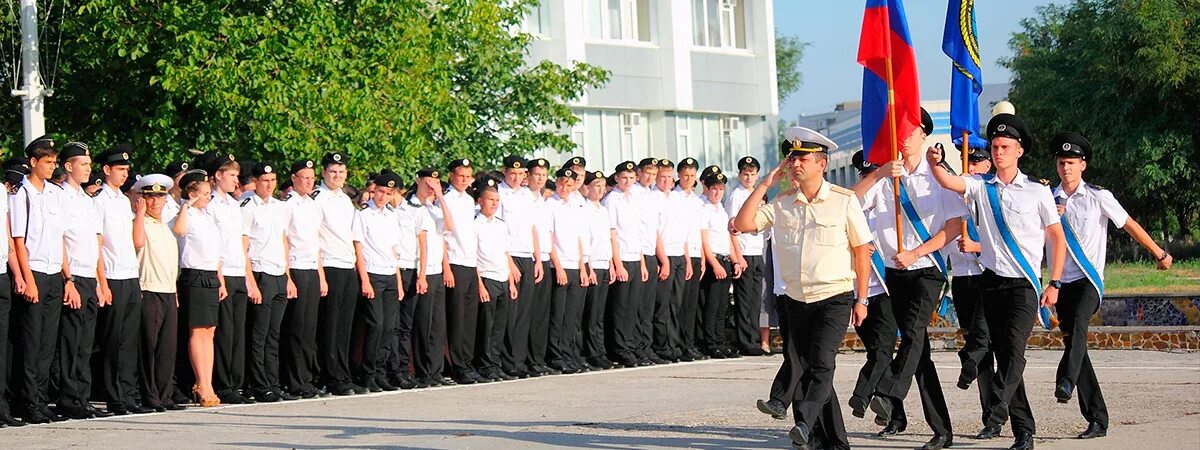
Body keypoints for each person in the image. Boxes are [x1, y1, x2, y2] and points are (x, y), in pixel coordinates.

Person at [925, 113, 1068, 450]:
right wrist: (935, 163)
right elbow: (949, 182)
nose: (998, 151)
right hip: (990, 283)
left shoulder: (1037, 191)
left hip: (1023, 284)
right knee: (1004, 356)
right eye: (995, 146)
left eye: (1005, 146)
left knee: (1015, 350)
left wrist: (1055, 282)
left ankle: (999, 406)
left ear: (1019, 151)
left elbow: (1057, 239)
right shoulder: (981, 187)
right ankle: (1024, 431)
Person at [733, 127, 871, 450]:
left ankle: (805, 422)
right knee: (808, 369)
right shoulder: (782, 204)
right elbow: (742, 224)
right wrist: (765, 184)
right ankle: (833, 441)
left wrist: (862, 298)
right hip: (796, 300)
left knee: (822, 363)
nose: (795, 163)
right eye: (792, 157)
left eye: (802, 158)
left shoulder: (843, 201)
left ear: (821, 163)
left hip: (834, 297)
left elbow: (862, 250)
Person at [1047, 131, 1172, 440]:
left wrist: (1159, 252)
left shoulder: (1098, 196)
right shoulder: (1047, 199)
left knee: (1078, 328)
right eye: (1062, 163)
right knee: (1077, 349)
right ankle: (1097, 418)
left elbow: (1128, 224)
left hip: (1089, 281)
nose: (1066, 168)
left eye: (1072, 163)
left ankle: (1064, 381)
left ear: (1083, 165)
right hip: (1061, 281)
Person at [852, 108, 961, 449]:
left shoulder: (937, 176)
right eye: (898, 130)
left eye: (909, 130)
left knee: (913, 332)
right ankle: (941, 430)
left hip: (927, 269)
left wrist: (916, 252)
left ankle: (887, 392)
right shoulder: (887, 177)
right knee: (921, 354)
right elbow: (851, 202)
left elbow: (954, 227)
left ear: (924, 135)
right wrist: (880, 172)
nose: (903, 136)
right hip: (896, 272)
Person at [841, 150, 907, 436]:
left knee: (882, 352)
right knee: (879, 354)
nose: (869, 178)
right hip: (859, 290)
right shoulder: (851, 201)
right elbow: (848, 200)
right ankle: (892, 414)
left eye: (873, 172)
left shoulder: (889, 196)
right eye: (864, 175)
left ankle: (862, 394)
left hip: (886, 287)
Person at [11, 136, 71, 424]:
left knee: (48, 342)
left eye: (54, 162)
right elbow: (19, 239)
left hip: (53, 271)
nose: (52, 167)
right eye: (47, 162)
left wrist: (66, 276)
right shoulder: (22, 194)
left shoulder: (55, 194)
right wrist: (27, 278)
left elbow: (58, 237)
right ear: (33, 162)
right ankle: (27, 401)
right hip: (33, 269)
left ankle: (41, 398)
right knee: (31, 340)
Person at [945, 137, 1001, 438]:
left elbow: (1008, 241)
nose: (970, 167)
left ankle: (968, 368)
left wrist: (978, 245)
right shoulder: (955, 197)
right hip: (962, 280)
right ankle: (989, 417)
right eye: (965, 162)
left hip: (988, 275)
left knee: (981, 341)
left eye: (976, 161)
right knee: (981, 350)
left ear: (987, 164)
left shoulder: (993, 195)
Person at [93, 144, 152, 415]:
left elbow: (133, 243)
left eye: (127, 169)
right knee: (113, 339)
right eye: (120, 169)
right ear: (106, 170)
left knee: (129, 340)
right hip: (112, 276)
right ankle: (114, 395)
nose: (124, 173)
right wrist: (102, 282)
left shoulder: (122, 201)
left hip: (129, 275)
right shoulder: (100, 200)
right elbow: (99, 244)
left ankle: (128, 393)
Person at [53, 142, 110, 420]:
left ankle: (81, 397)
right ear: (68, 166)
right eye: (83, 164)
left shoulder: (88, 201)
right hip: (73, 275)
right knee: (71, 341)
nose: (88, 168)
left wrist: (100, 282)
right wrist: (68, 280)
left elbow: (95, 244)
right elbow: (61, 240)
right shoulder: (60, 196)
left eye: (89, 164)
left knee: (86, 343)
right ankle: (68, 398)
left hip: (89, 276)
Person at [199, 152, 258, 405]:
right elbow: (213, 246)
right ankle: (223, 385)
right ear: (217, 176)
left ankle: (236, 381)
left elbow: (241, 245)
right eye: (232, 175)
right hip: (221, 273)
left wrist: (249, 278)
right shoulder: (210, 205)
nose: (236, 180)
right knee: (223, 333)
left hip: (238, 272)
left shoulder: (236, 206)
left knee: (237, 333)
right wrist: (219, 278)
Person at [242, 162, 299, 402]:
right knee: (259, 333)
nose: (269, 185)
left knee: (274, 334)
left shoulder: (280, 207)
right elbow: (243, 245)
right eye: (265, 181)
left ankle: (272, 382)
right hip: (260, 272)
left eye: (273, 180)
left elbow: (283, 241)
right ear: (256, 181)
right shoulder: (247, 206)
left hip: (278, 273)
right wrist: (251, 281)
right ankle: (258, 383)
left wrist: (288, 277)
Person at [171, 170, 226, 407]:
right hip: (193, 277)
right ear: (191, 194)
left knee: (209, 332)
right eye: (203, 194)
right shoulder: (186, 215)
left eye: (208, 194)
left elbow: (216, 252)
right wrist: (186, 205)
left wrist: (220, 279)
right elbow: (179, 231)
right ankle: (201, 383)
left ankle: (208, 382)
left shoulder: (207, 217)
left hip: (210, 276)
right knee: (197, 331)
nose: (207, 197)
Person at [132, 173, 186, 412]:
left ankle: (165, 394)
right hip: (149, 289)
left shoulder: (165, 227)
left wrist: (174, 290)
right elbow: (138, 243)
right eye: (150, 197)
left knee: (167, 347)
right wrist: (140, 213)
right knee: (149, 347)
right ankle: (150, 394)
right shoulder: (139, 222)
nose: (155, 202)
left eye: (159, 197)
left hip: (167, 290)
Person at [350, 171, 406, 392]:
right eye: (381, 191)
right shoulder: (363, 215)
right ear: (374, 191)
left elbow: (393, 251)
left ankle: (380, 372)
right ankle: (367, 373)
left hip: (390, 274)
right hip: (372, 274)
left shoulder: (392, 216)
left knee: (389, 327)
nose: (383, 196)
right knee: (376, 325)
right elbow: (359, 249)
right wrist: (364, 280)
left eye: (388, 193)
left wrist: (399, 282)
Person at [313, 152, 363, 395]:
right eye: (333, 171)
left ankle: (343, 373)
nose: (337, 176)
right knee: (330, 325)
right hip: (329, 264)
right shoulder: (317, 198)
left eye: (342, 172)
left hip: (347, 264)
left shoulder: (345, 199)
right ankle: (330, 376)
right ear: (324, 173)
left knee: (345, 326)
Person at [281, 160, 328, 399]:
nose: (309, 182)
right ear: (293, 178)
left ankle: (306, 378)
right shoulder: (287, 205)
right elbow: (284, 242)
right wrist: (287, 276)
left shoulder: (313, 205)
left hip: (311, 267)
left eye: (312, 178)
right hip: (296, 268)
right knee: (296, 328)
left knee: (310, 329)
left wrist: (321, 276)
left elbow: (316, 243)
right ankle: (294, 380)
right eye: (304, 177)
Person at [410, 168, 456, 387]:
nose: (431, 187)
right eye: (428, 182)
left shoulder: (434, 208)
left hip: (437, 270)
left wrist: (440, 196)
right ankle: (423, 371)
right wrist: (421, 274)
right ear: (418, 181)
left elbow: (449, 227)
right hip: (422, 271)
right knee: (423, 323)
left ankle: (435, 371)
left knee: (437, 324)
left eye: (436, 183)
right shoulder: (412, 207)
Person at [496, 156, 540, 379]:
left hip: (527, 255)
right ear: (505, 172)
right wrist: (509, 263)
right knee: (510, 312)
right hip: (509, 255)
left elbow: (533, 228)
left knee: (524, 312)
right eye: (512, 173)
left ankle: (519, 360)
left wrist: (538, 258)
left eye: (521, 173)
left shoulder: (526, 195)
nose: (516, 177)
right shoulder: (499, 193)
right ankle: (507, 361)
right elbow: (498, 230)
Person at [602, 161, 649, 368]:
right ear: (617, 178)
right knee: (620, 308)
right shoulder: (612, 200)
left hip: (634, 256)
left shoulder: (635, 198)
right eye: (624, 178)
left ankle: (630, 345)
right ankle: (619, 348)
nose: (628, 181)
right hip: (621, 258)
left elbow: (637, 233)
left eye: (631, 178)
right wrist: (617, 264)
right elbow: (612, 233)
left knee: (633, 307)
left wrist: (642, 262)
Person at [472, 177, 519, 381]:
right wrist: (480, 284)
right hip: (486, 277)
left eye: (496, 200)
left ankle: (496, 363)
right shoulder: (474, 224)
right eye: (490, 199)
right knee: (486, 325)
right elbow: (472, 256)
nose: (494, 203)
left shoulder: (500, 225)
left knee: (499, 326)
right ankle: (484, 364)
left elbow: (505, 253)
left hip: (501, 277)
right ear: (480, 200)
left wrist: (510, 281)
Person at [442, 158, 485, 385]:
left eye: (468, 176)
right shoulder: (446, 199)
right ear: (451, 176)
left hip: (469, 263)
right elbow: (444, 234)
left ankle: (467, 363)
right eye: (461, 176)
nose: (465, 180)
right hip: (455, 262)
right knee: (457, 319)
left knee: (469, 319)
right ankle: (458, 366)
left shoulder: (469, 201)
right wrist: (446, 267)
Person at [547, 167, 591, 374]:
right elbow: (550, 238)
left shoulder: (576, 205)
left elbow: (579, 238)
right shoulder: (550, 204)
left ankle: (568, 352)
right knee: (558, 314)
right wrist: (558, 266)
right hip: (560, 264)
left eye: (569, 184)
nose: (564, 187)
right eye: (561, 183)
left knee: (572, 315)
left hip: (575, 264)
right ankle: (556, 355)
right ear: (556, 182)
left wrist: (583, 267)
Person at [386, 176, 428, 390]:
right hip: (392, 269)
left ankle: (403, 368)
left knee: (405, 324)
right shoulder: (384, 214)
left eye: (392, 193)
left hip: (410, 270)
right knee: (391, 325)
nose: (389, 197)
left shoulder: (414, 210)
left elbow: (423, 244)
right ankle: (392, 370)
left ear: (400, 192)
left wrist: (422, 275)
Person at [698, 173, 745, 360]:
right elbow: (705, 241)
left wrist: (735, 260)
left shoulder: (720, 209)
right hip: (714, 261)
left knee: (722, 306)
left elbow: (727, 239)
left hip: (724, 259)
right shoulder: (705, 209)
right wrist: (715, 264)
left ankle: (720, 340)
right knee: (711, 305)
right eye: (714, 189)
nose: (717, 192)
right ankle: (710, 343)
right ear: (707, 189)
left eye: (720, 189)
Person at [725, 156, 767, 357]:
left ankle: (753, 338)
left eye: (752, 174)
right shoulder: (737, 196)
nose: (749, 178)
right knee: (744, 300)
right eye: (745, 174)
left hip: (756, 251)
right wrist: (738, 257)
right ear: (740, 175)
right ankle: (745, 341)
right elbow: (731, 228)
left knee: (754, 301)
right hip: (744, 253)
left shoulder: (757, 194)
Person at [649, 159, 688, 363]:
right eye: (662, 177)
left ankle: (673, 343)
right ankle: (661, 345)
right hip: (664, 254)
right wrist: (664, 260)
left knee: (676, 303)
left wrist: (686, 258)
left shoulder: (676, 199)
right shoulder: (652, 198)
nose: (665, 180)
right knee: (662, 304)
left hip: (679, 253)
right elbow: (655, 232)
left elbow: (683, 231)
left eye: (668, 177)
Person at [580, 170, 616, 370]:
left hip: (604, 262)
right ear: (587, 187)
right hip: (592, 264)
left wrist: (611, 263)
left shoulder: (603, 209)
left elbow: (607, 240)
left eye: (603, 186)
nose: (601, 190)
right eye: (596, 186)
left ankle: (599, 351)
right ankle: (591, 352)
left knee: (599, 313)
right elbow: (586, 241)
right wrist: (589, 266)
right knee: (591, 313)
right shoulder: (584, 209)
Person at [633, 158, 667, 365]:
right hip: (638, 254)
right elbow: (633, 230)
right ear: (639, 173)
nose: (650, 177)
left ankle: (646, 346)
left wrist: (662, 259)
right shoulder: (633, 194)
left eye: (654, 174)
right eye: (647, 173)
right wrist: (642, 261)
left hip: (650, 252)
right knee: (638, 306)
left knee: (648, 307)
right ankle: (637, 347)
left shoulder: (651, 195)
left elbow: (654, 230)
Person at [525, 158, 556, 376]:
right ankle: (527, 358)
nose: (540, 179)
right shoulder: (524, 198)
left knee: (541, 314)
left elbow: (548, 234)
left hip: (545, 258)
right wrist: (537, 259)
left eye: (543, 176)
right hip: (531, 258)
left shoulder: (542, 201)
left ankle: (538, 358)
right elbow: (531, 231)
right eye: (537, 175)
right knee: (528, 312)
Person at [673, 158, 706, 362]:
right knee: (680, 302)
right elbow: (680, 231)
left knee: (691, 304)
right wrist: (686, 256)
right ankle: (678, 343)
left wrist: (701, 257)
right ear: (679, 175)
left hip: (696, 253)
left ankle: (689, 342)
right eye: (685, 175)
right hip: (682, 253)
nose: (688, 179)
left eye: (692, 176)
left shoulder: (696, 200)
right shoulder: (675, 198)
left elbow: (699, 231)